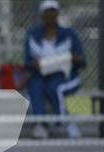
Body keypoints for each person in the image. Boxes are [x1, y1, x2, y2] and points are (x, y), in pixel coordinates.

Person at [24, 0, 86, 139]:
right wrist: (36, 65)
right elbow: (27, 62)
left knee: (55, 88)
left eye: (53, 12)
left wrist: (73, 58)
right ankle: (40, 124)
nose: (50, 16)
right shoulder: (33, 35)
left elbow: (81, 60)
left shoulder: (69, 34)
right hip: (40, 74)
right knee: (35, 86)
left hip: (64, 75)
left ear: (57, 14)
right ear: (42, 15)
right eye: (47, 12)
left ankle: (64, 123)